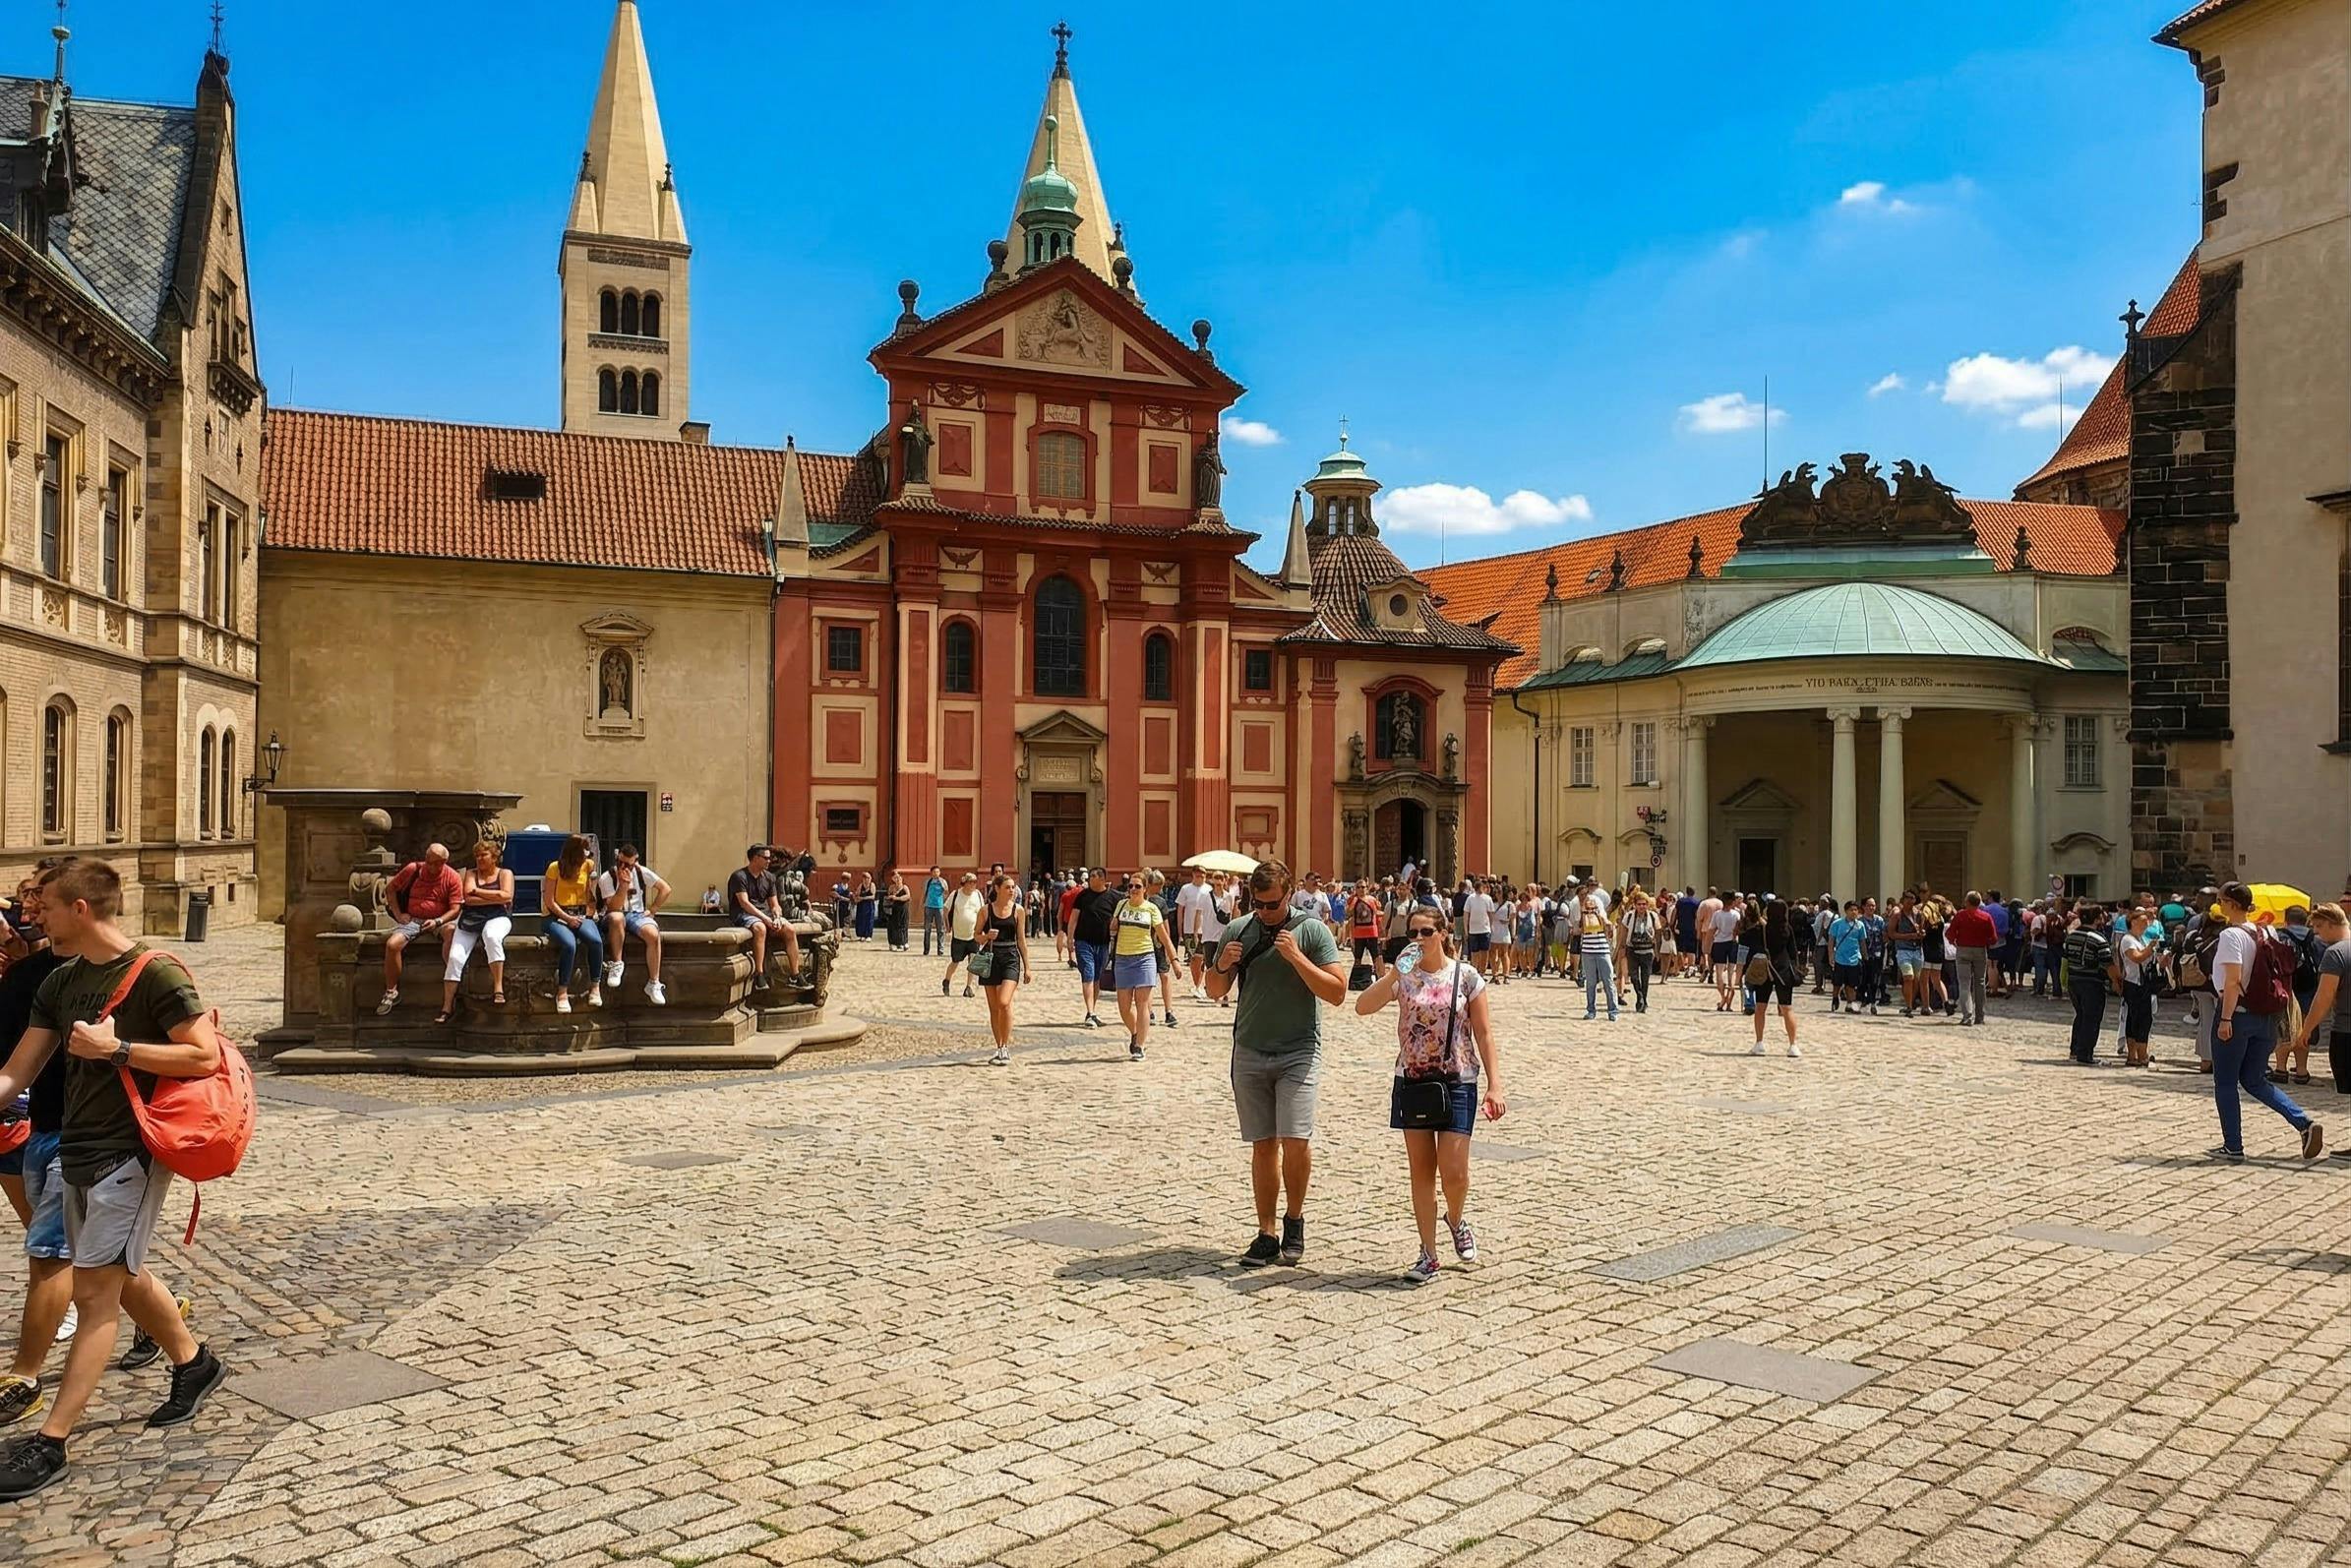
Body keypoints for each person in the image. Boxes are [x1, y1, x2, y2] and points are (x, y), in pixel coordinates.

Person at [0, 859, 229, 1499]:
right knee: (122, 1276)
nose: (32, 914)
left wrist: (118, 1050)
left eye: (44, 905)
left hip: (130, 1155)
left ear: (80, 909)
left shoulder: (155, 973)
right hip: (74, 1149)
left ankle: (52, 1443)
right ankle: (194, 1361)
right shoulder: (61, 981)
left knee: (95, 1295)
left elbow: (202, 1052)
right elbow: (17, 1073)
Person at [1353, 905, 1504, 1285]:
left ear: (1443, 934)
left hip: (1458, 1079)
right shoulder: (1403, 979)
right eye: (1412, 934)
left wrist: (1495, 1084)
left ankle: (1455, 1218)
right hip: (1413, 1081)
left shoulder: (1466, 976)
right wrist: (1392, 973)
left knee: (1454, 1172)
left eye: (1425, 933)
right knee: (1421, 1172)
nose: (1418, 940)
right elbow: (1362, 1007)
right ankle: (1428, 1254)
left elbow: (1484, 1033)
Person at [1206, 861, 1347, 1268]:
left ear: (1289, 896)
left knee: (1296, 1141)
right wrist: (1222, 965)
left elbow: (1337, 992)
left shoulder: (1312, 930)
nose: (1265, 912)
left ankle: (1295, 1220)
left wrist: (1297, 958)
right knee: (1263, 1145)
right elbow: (1215, 990)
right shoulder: (1239, 930)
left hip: (1299, 1050)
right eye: (1258, 904)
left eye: (1272, 905)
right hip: (1249, 1049)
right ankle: (1267, 1232)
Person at [0, 869, 76, 1431]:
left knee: (49, 1249)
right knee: (98, 1255)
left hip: (71, 1130)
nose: (26, 908)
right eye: (24, 898)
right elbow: (16, 1059)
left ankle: (24, 1377)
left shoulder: (139, 972)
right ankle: (182, 1346)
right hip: (38, 1117)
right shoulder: (28, 972)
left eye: (37, 899)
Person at [2207, 881, 2323, 1162]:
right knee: (2255, 1080)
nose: (2219, 905)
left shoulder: (2231, 936)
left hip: (2237, 1014)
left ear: (2232, 904)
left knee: (2225, 1082)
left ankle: (2233, 1146)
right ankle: (2303, 1123)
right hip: (2267, 1016)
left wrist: (2225, 1019)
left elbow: (2233, 982)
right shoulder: (2267, 930)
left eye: (2221, 900)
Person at [375, 843, 463, 1016]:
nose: (429, 866)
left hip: (440, 920)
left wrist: (438, 921)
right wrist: (399, 914)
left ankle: (454, 984)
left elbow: (455, 909)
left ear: (443, 862)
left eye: (434, 863)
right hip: (413, 919)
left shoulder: (452, 877)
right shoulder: (413, 869)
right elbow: (390, 889)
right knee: (393, 944)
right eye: (427, 861)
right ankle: (391, 991)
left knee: (452, 933)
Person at [440, 839, 515, 1022]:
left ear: (494, 857)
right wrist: (495, 897)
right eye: (477, 856)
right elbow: (468, 898)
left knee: (491, 936)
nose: (479, 859)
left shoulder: (505, 873)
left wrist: (479, 893)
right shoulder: (471, 874)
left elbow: (506, 896)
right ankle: (447, 1005)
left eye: (484, 855)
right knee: (455, 956)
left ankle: (498, 987)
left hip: (498, 917)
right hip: (470, 920)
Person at [1111, 874, 1179, 1062]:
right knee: (1124, 1008)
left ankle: (1139, 1045)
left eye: (1137, 886)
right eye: (1131, 886)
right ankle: (1135, 1032)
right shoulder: (1121, 905)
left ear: (1145, 889)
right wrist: (1113, 925)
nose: (1133, 889)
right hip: (1123, 959)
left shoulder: (1151, 909)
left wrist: (1173, 959)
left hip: (1145, 959)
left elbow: (1164, 936)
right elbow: (1113, 927)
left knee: (1142, 1003)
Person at [595, 844, 669, 1006]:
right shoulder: (607, 878)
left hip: (636, 914)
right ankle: (616, 964)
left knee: (653, 933)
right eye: (621, 862)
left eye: (629, 864)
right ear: (617, 858)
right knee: (617, 918)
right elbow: (613, 907)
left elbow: (665, 889)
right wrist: (622, 886)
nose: (624, 867)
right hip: (613, 915)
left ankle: (653, 983)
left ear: (635, 862)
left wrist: (653, 909)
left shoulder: (642, 872)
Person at [2289, 904, 2351, 1092]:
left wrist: (2306, 1029)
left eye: (2319, 926)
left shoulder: (2335, 954)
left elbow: (2324, 997)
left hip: (2345, 1032)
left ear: (2331, 924)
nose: (2316, 932)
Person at [540, 835, 605, 1014]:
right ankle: (562, 992)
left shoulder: (588, 865)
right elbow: (549, 900)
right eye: (584, 850)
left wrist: (591, 911)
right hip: (556, 915)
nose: (587, 854)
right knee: (569, 945)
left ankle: (595, 986)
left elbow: (589, 893)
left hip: (581, 913)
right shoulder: (555, 868)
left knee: (596, 941)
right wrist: (567, 919)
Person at [726, 845, 799, 991]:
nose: (769, 861)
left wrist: (777, 917)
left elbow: (775, 904)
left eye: (769, 857)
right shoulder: (739, 877)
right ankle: (759, 974)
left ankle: (795, 975)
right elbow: (744, 904)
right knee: (760, 928)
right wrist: (766, 920)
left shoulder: (769, 877)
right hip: (743, 914)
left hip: (765, 914)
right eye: (766, 858)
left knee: (790, 929)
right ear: (755, 858)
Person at [977, 874, 1029, 1066]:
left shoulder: (1019, 911)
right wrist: (985, 936)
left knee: (1004, 1002)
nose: (1012, 890)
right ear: (997, 889)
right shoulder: (985, 910)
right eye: (1008, 887)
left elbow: (1022, 940)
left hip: (1010, 957)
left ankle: (1005, 1046)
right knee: (993, 1008)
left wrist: (1028, 967)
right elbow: (976, 936)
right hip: (990, 957)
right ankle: (999, 1047)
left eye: (1013, 887)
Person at [2274, 905, 2324, 1085]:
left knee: (2284, 1026)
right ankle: (2302, 1071)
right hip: (2309, 988)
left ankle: (2281, 1069)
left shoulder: (2280, 937)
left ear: (2286, 919)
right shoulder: (2317, 940)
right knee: (2304, 1028)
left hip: (2286, 986)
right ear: (2307, 920)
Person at [1066, 869, 1120, 1030]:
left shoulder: (1113, 897)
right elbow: (1073, 918)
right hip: (1084, 942)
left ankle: (1092, 1011)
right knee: (1088, 975)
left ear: (1103, 879)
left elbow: (1120, 916)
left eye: (1094, 876)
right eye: (1090, 876)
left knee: (1096, 978)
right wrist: (1070, 939)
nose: (1090, 879)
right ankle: (1090, 1012)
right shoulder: (1083, 896)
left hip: (1103, 943)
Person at [2061, 904, 2114, 1065]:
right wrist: (2118, 983)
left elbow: (2065, 960)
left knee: (2081, 1015)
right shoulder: (2098, 939)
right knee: (2092, 1018)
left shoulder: (2071, 936)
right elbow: (2108, 964)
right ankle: (2085, 1054)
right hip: (2092, 982)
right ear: (2097, 919)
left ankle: (2075, 1049)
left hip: (2074, 980)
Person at [1749, 898, 1800, 1057]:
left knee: (1760, 1007)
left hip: (1765, 969)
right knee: (1787, 1008)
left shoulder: (1761, 929)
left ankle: (1759, 1042)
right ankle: (1793, 1045)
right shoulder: (1788, 929)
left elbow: (1752, 948)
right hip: (1783, 970)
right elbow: (1793, 952)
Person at [1948, 893, 1997, 1027]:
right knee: (1980, 983)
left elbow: (1950, 934)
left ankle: (1967, 1016)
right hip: (1980, 950)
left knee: (1964, 984)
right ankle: (1980, 1016)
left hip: (1963, 949)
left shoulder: (1960, 915)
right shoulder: (1986, 917)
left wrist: (1955, 943)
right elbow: (1993, 938)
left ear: (1967, 902)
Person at [2118, 906, 2156, 1066]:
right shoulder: (2128, 940)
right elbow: (2136, 958)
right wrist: (2150, 949)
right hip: (2134, 984)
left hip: (2143, 984)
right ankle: (2138, 1055)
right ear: (2132, 922)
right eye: (2142, 921)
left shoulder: (2140, 939)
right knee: (2138, 1020)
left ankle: (2138, 1055)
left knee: (2142, 1019)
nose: (2146, 924)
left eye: (2147, 922)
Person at [938, 872, 986, 996]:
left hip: (973, 934)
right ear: (965, 883)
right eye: (971, 882)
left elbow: (982, 913)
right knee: (955, 961)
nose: (973, 885)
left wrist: (983, 932)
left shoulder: (978, 895)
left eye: (975, 882)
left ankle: (968, 987)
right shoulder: (955, 894)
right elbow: (945, 910)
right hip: (958, 935)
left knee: (973, 961)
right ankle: (947, 980)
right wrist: (947, 927)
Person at [1176, 868, 1217, 999]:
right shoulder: (1186, 889)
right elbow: (1180, 909)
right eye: (1198, 874)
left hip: (1207, 929)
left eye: (1203, 875)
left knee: (1204, 959)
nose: (1201, 877)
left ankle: (1201, 986)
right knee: (1194, 959)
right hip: (1189, 928)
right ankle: (1197, 985)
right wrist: (1180, 928)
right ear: (1193, 875)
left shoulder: (1210, 889)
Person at [1620, 891, 1659, 1014]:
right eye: (1639, 904)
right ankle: (1639, 995)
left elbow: (1657, 933)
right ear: (1635, 905)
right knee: (1634, 976)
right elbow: (1624, 931)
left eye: (1644, 904)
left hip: (1647, 951)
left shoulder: (1653, 916)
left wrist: (1657, 950)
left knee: (1645, 977)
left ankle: (1643, 1000)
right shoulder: (1629, 916)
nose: (1642, 907)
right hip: (1632, 949)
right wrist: (1622, 947)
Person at [1890, 894, 1926, 1017]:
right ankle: (1909, 1006)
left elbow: (1922, 930)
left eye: (1912, 900)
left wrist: (1921, 933)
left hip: (1917, 950)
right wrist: (1908, 936)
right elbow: (1892, 934)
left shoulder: (1919, 915)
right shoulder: (1897, 916)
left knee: (1915, 980)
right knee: (1908, 977)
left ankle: (1909, 1002)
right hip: (1903, 949)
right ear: (1903, 901)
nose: (1910, 903)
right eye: (1907, 900)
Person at [1828, 901, 1866, 1013]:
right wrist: (1831, 955)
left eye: (1856, 910)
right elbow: (1831, 941)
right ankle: (1835, 998)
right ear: (1846, 911)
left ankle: (1850, 1003)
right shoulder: (1837, 924)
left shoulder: (1860, 925)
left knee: (1852, 983)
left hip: (1854, 958)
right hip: (1840, 957)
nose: (1854, 912)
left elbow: (1862, 941)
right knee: (1837, 982)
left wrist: (1865, 956)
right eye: (1851, 910)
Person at [1460, 878, 1497, 980]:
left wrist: (1491, 926)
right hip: (1473, 930)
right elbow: (1466, 914)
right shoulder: (1470, 898)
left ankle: (1482, 973)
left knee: (1484, 952)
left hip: (1485, 929)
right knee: (1474, 953)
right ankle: (1475, 972)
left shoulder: (1487, 898)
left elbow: (1490, 914)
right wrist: (1466, 929)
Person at [1348, 880, 1385, 979]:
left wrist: (1381, 929)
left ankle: (1380, 977)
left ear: (1367, 888)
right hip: (1358, 933)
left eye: (1363, 887)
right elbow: (1348, 913)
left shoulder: (1372, 900)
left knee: (1376, 956)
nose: (1361, 889)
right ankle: (1357, 979)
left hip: (1372, 932)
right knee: (1357, 957)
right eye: (1358, 887)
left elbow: (1377, 913)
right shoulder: (1353, 900)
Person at [921, 868, 948, 957]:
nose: (936, 873)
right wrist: (923, 903)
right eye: (934, 872)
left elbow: (946, 893)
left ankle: (940, 950)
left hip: (939, 907)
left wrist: (943, 902)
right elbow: (924, 893)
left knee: (940, 929)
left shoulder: (943, 882)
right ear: (931, 873)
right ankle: (926, 949)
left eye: (937, 871)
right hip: (928, 906)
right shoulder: (928, 882)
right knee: (927, 929)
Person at [883, 872, 912, 951]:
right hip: (894, 909)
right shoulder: (891, 887)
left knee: (903, 925)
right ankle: (893, 943)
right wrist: (892, 896)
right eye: (896, 878)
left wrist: (897, 898)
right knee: (894, 926)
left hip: (903, 909)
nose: (898, 879)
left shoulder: (905, 887)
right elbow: (888, 897)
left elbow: (908, 896)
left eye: (899, 878)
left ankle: (904, 942)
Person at [852, 874, 878, 942]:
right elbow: (856, 894)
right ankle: (862, 935)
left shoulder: (872, 885)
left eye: (868, 878)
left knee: (869, 920)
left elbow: (873, 896)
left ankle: (868, 935)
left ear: (870, 879)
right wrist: (855, 898)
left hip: (869, 905)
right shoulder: (861, 885)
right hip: (861, 906)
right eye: (865, 878)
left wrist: (863, 898)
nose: (866, 880)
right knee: (861, 920)